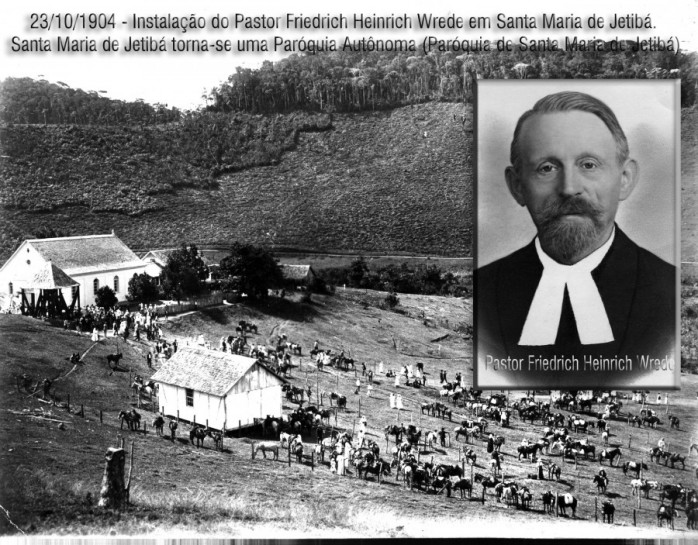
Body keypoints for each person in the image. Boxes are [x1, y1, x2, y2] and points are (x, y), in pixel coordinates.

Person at [476, 90, 676, 388]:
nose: (569, 188)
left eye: (589, 164)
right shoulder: (482, 292)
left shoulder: (668, 291)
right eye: (547, 168)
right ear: (517, 186)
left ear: (625, 179)